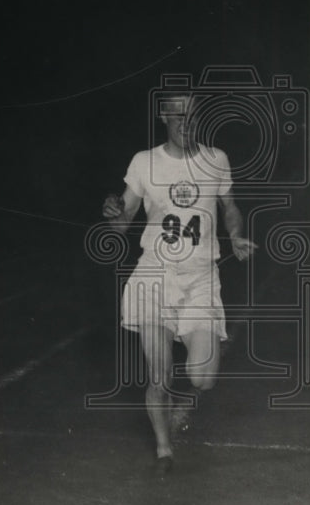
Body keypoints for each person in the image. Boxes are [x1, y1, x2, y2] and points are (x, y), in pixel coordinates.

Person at [102, 92, 256, 474]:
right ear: (164, 118)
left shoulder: (216, 159)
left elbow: (229, 205)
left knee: (202, 377)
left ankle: (185, 403)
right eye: (177, 117)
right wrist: (112, 213)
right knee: (160, 373)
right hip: (155, 275)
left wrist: (235, 234)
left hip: (201, 277)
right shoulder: (145, 162)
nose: (185, 124)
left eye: (192, 117)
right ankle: (164, 450)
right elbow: (122, 221)